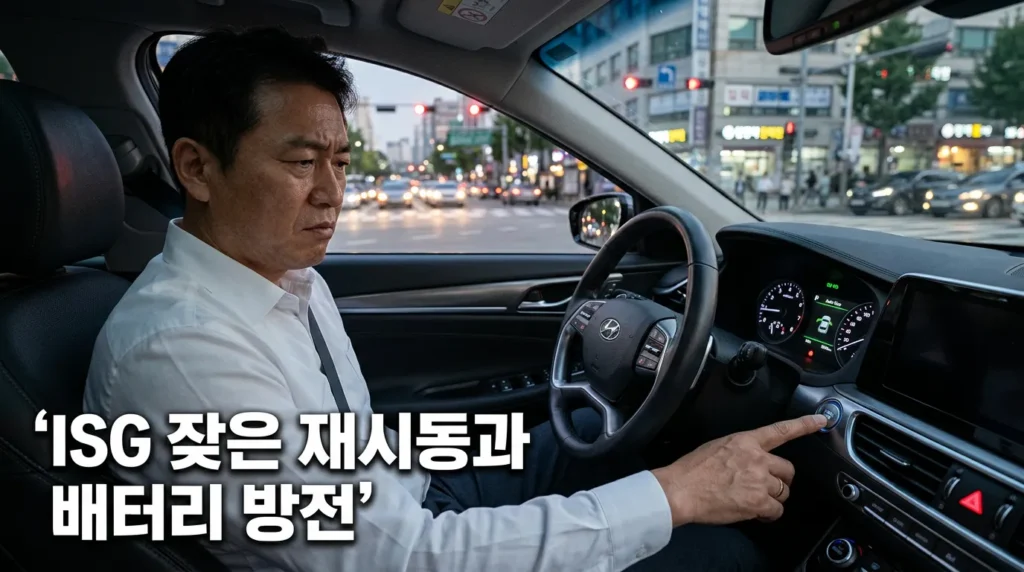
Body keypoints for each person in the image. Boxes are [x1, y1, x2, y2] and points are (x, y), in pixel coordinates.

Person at [83, 28, 828, 572]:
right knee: (722, 553)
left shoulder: (281, 277)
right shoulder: (182, 350)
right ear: (197, 169)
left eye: (341, 161)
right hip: (405, 546)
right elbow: (403, 560)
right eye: (301, 162)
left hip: (408, 495)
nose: (332, 193)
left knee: (605, 440)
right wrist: (675, 496)